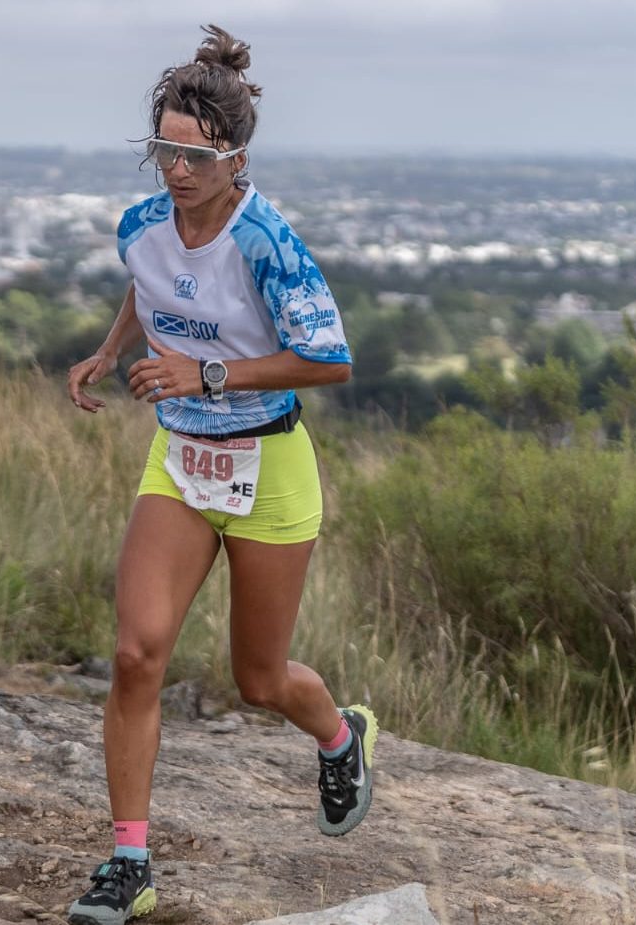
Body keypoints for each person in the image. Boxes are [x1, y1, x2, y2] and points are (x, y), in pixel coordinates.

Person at [63, 24, 376, 925]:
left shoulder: (265, 241)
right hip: (181, 460)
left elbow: (329, 359)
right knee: (136, 653)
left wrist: (207, 373)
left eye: (196, 156)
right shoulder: (141, 224)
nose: (176, 170)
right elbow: (150, 281)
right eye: (163, 149)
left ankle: (339, 734)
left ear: (237, 156)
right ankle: (129, 863)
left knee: (259, 679)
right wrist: (109, 349)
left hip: (269, 462)